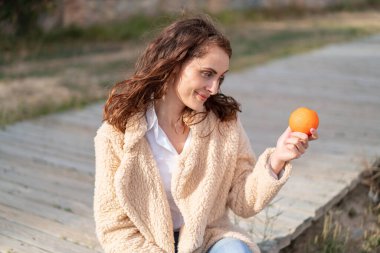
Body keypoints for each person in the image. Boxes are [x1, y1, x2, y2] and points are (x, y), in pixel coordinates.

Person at [93, 15, 318, 253]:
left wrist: (277, 159)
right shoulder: (116, 134)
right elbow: (114, 228)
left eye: (220, 78)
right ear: (174, 64)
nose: (214, 89)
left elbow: (243, 202)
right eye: (207, 73)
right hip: (144, 246)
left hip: (208, 239)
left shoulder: (224, 124)